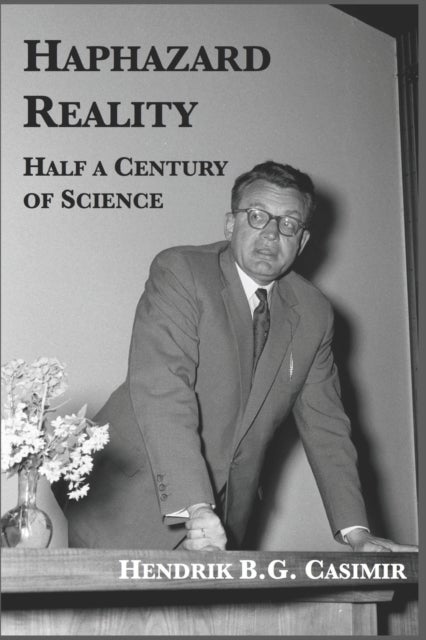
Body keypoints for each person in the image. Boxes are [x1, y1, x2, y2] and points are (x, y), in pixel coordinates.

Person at [58, 161, 417, 552]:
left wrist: (358, 534)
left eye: (288, 224)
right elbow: (163, 389)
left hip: (225, 521)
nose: (271, 234)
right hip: (125, 501)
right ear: (230, 224)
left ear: (302, 241)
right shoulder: (181, 272)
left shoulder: (314, 313)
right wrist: (196, 506)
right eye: (257, 216)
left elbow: (327, 426)